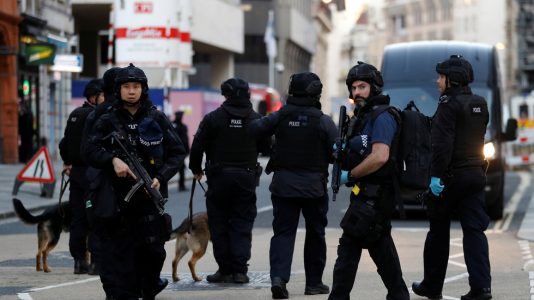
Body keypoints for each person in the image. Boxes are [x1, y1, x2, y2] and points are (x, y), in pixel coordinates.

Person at [83, 63, 185, 299]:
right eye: (127, 86)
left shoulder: (155, 117)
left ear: (143, 89)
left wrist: (161, 177)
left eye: (136, 86)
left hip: (149, 199)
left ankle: (148, 288)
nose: (131, 91)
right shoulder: (106, 119)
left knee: (153, 253)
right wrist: (112, 161)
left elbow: (177, 152)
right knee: (119, 257)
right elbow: (88, 150)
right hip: (116, 201)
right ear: (118, 89)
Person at [249, 72, 337, 299]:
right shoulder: (323, 120)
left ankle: (279, 279)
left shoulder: (280, 116)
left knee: (283, 233)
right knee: (315, 233)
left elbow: (255, 130)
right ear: (316, 92)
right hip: (314, 188)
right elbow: (337, 152)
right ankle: (314, 284)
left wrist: (270, 146)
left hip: (283, 186)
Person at [412, 55, 491, 300]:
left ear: (452, 80)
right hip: (476, 175)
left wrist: (435, 177)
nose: (438, 81)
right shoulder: (480, 103)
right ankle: (482, 288)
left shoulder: (448, 104)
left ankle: (432, 286)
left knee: (437, 231)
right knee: (474, 231)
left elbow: (442, 145)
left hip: (450, 177)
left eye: (441, 77)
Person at [328, 62, 409, 300]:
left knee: (349, 246)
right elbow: (361, 150)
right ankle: (399, 295)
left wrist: (350, 175)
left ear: (374, 87)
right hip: (365, 193)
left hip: (377, 193)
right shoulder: (361, 118)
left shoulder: (382, 116)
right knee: (379, 244)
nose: (356, 93)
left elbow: (380, 156)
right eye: (353, 88)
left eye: (362, 86)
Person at [189, 77, 271, 284]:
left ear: (225, 95)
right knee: (242, 224)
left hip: (219, 178)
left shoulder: (213, 119)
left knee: (219, 224)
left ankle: (224, 270)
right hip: (246, 178)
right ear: (248, 95)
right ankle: (240, 271)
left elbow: (197, 146)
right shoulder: (256, 119)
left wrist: (196, 169)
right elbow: (269, 147)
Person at [59, 78, 104, 275]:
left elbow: (64, 143)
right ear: (95, 97)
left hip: (76, 174)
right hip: (92, 173)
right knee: (95, 217)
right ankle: (95, 262)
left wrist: (68, 162)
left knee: (78, 218)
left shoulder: (75, 114)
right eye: (103, 95)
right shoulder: (97, 116)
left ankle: (79, 261)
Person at [173, 111, 190, 191]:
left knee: (182, 168)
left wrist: (187, 150)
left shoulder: (183, 126)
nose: (180, 116)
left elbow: (186, 139)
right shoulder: (172, 125)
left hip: (182, 150)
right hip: (174, 150)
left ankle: (181, 185)